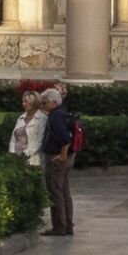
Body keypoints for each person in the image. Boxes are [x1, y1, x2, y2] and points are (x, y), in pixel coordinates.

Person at [37, 87, 83, 238]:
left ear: (53, 102)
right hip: (67, 158)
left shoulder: (55, 116)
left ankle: (59, 226)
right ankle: (68, 224)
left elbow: (64, 138)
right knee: (64, 191)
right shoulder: (63, 111)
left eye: (44, 103)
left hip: (57, 158)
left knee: (55, 190)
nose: (42, 106)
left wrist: (62, 155)